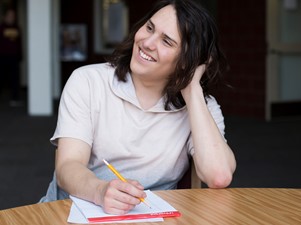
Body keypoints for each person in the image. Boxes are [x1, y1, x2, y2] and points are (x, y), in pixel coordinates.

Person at [40, 0, 236, 215]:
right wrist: (101, 190)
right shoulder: (88, 81)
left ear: (186, 61)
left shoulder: (202, 108)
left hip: (148, 216)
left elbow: (219, 176)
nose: (147, 42)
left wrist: (192, 91)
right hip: (68, 212)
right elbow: (68, 165)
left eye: (167, 42)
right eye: (150, 28)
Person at [0, 8, 23, 106]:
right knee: (1, 78)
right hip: (2, 57)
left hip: (14, 57)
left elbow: (19, 43)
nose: (11, 17)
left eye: (13, 16)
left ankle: (14, 99)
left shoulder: (17, 28)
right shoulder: (1, 27)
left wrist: (20, 54)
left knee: (15, 78)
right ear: (5, 16)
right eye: (9, 15)